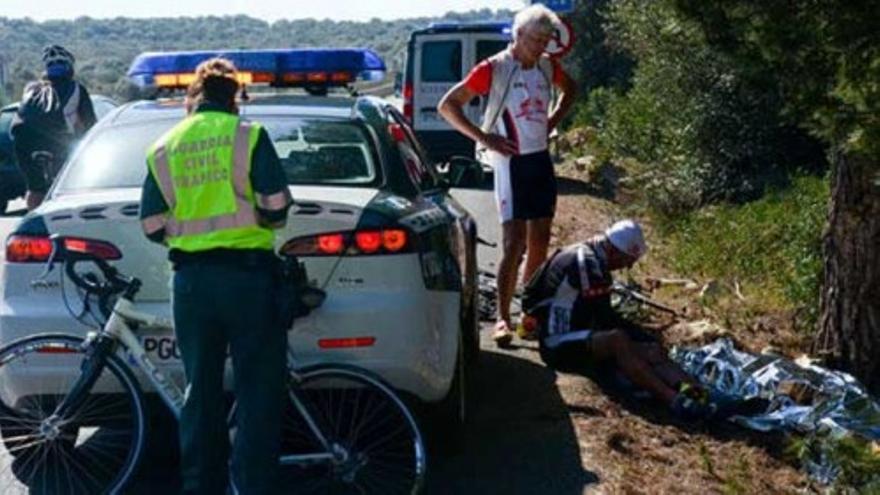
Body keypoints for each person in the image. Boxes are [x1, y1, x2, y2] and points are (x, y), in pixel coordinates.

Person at [139, 58, 293, 494]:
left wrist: (188, 235)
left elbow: (151, 224)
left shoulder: (165, 145)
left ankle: (200, 487)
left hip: (191, 285)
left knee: (199, 394)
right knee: (257, 393)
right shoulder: (250, 136)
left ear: (193, 97)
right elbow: (277, 206)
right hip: (249, 280)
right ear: (236, 97)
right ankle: (253, 486)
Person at [438, 4, 578, 347]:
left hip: (540, 159)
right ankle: (502, 318)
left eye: (546, 40)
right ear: (518, 35)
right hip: (509, 163)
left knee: (540, 242)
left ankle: (528, 312)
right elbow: (447, 105)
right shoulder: (495, 68)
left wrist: (552, 122)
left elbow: (571, 90)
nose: (540, 46)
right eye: (534, 39)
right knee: (513, 244)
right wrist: (484, 138)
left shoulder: (547, 65)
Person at [521, 220, 716, 420]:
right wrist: (639, 338)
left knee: (653, 350)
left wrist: (647, 340)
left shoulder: (591, 254)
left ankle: (700, 395)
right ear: (615, 251)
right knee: (618, 340)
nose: (629, 265)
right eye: (628, 260)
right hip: (557, 343)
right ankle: (673, 400)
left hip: (578, 334)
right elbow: (605, 318)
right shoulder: (587, 264)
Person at [11, 45, 97, 210]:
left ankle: (34, 222)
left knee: (35, 188)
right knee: (68, 186)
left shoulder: (31, 88)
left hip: (23, 142)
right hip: (59, 141)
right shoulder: (77, 89)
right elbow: (91, 124)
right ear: (69, 68)